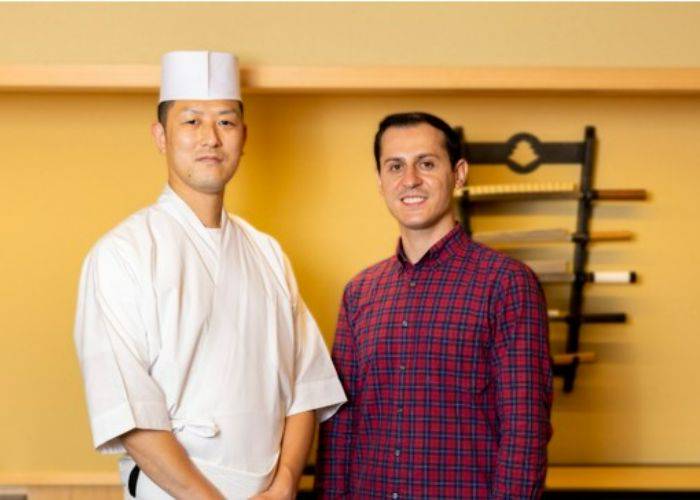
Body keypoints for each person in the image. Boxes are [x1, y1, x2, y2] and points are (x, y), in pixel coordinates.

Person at [74, 51, 346, 500]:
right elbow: (129, 412)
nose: (210, 138)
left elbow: (306, 386)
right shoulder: (121, 254)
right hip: (172, 492)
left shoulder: (268, 253)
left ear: (244, 136)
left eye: (225, 121)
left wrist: (283, 486)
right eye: (192, 121)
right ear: (160, 136)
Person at [315, 112, 552, 499]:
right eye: (395, 166)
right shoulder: (360, 293)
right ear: (380, 181)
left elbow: (525, 430)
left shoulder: (506, 283)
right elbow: (341, 427)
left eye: (426, 163)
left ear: (459, 174)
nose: (409, 180)